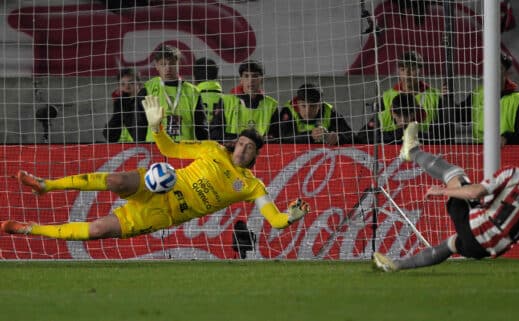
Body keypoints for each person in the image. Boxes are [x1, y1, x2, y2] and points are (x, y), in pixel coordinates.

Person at [1, 96, 310, 241]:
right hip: (159, 184)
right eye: (240, 143)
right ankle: (46, 185)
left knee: (96, 230)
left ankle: (28, 228)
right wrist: (156, 127)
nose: (241, 149)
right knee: (115, 179)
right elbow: (170, 150)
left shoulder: (253, 185)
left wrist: (289, 218)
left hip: (164, 213)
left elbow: (275, 219)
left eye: (249, 148)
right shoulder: (213, 148)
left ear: (255, 155)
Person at [372, 122, 519, 275]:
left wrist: (443, 192)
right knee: (452, 244)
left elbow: (475, 192)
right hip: (487, 250)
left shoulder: (515, 174)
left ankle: (411, 150)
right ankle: (395, 265)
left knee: (456, 175)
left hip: (475, 229)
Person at [359, 50, 449, 144]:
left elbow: (443, 135)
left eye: (412, 69)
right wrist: (399, 134)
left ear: (420, 70)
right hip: (392, 151)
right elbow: (365, 134)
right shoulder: (387, 97)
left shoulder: (436, 96)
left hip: (424, 149)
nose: (407, 74)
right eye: (403, 70)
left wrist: (448, 101)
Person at [456, 52, 519, 146]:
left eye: (498, 68)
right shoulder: (477, 94)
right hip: (480, 153)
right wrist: (447, 97)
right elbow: (459, 117)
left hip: (507, 154)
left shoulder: (518, 100)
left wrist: (507, 138)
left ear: (506, 72)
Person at [136, 44, 208, 142]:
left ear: (179, 64)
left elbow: (202, 129)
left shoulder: (192, 91)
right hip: (155, 148)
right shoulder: (147, 89)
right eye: (163, 64)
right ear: (156, 66)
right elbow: (139, 125)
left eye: (172, 64)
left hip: (184, 150)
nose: (168, 68)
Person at [210, 60, 279, 143]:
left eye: (255, 76)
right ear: (241, 79)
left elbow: (276, 136)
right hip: (230, 152)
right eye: (246, 76)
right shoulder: (225, 101)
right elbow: (214, 134)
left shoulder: (272, 105)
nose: (250, 80)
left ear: (262, 79)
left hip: (262, 153)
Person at [268, 83, 354, 145]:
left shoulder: (330, 111)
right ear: (297, 103)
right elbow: (282, 137)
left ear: (320, 105)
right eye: (303, 106)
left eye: (312, 106)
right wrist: (311, 136)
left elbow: (352, 136)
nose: (307, 111)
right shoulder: (288, 110)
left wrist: (337, 138)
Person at [356, 92, 425, 144]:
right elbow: (362, 137)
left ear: (414, 112)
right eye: (399, 116)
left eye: (407, 116)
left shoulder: (426, 118)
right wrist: (397, 133)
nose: (403, 120)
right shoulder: (381, 118)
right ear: (393, 113)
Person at [103, 68, 146, 142]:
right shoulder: (120, 103)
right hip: (124, 146)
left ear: (139, 84)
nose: (127, 87)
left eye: (131, 83)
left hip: (146, 143)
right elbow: (110, 135)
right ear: (118, 86)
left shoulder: (144, 100)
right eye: (122, 84)